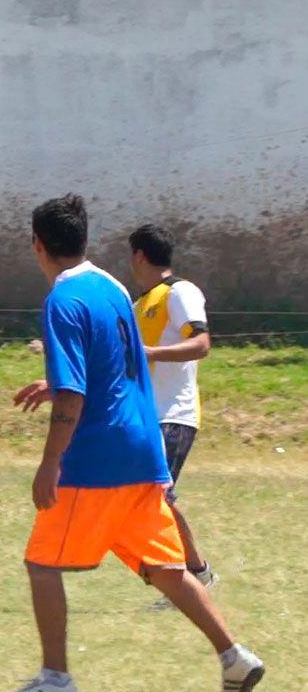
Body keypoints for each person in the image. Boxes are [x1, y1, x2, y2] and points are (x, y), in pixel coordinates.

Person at [2, 194, 262, 692]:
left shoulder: (62, 300)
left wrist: (50, 461)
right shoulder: (114, 288)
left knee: (42, 563)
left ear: (37, 245)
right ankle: (235, 659)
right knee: (167, 569)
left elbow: (79, 392)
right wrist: (56, 384)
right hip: (143, 449)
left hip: (98, 457)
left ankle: (56, 680)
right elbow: (121, 367)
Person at [128, 224, 218, 610]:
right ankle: (193, 573)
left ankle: (190, 576)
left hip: (175, 415)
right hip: (147, 417)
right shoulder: (138, 305)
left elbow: (201, 343)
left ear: (139, 256)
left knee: (155, 495)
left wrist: (151, 352)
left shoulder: (180, 292)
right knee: (153, 495)